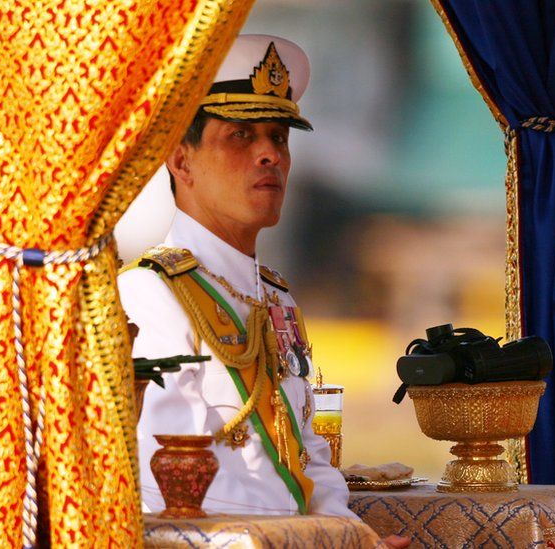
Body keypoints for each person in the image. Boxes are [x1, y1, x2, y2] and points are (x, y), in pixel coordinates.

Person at [118, 34, 409, 548]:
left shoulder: (275, 297)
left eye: (279, 136)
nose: (270, 154)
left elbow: (308, 456)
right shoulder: (149, 294)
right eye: (241, 135)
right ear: (180, 161)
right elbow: (165, 484)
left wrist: (348, 537)